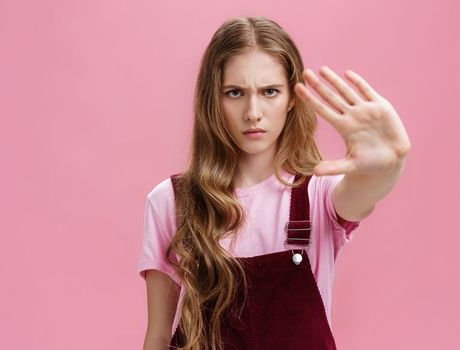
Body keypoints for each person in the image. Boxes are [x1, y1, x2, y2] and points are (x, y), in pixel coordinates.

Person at [137, 16, 411, 350]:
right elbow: (158, 337)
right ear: (214, 99)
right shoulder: (171, 201)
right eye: (235, 92)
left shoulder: (319, 193)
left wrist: (389, 164)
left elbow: (367, 189)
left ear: (292, 98)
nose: (253, 111)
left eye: (269, 92)